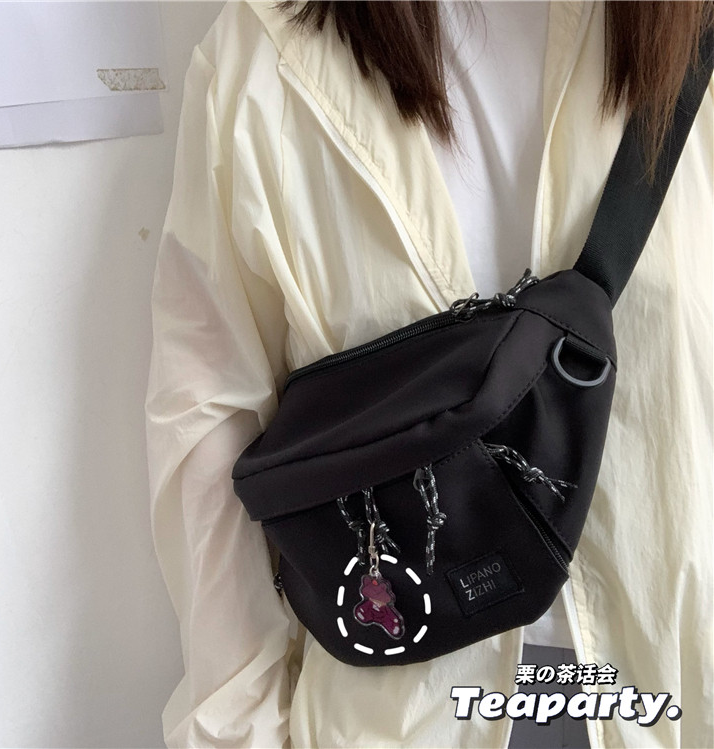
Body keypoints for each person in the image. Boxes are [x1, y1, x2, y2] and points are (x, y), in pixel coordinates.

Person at [144, 1, 714, 747]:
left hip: (673, 681)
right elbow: (206, 426)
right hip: (402, 711)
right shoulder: (265, 58)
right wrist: (240, 731)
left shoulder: (692, 31)